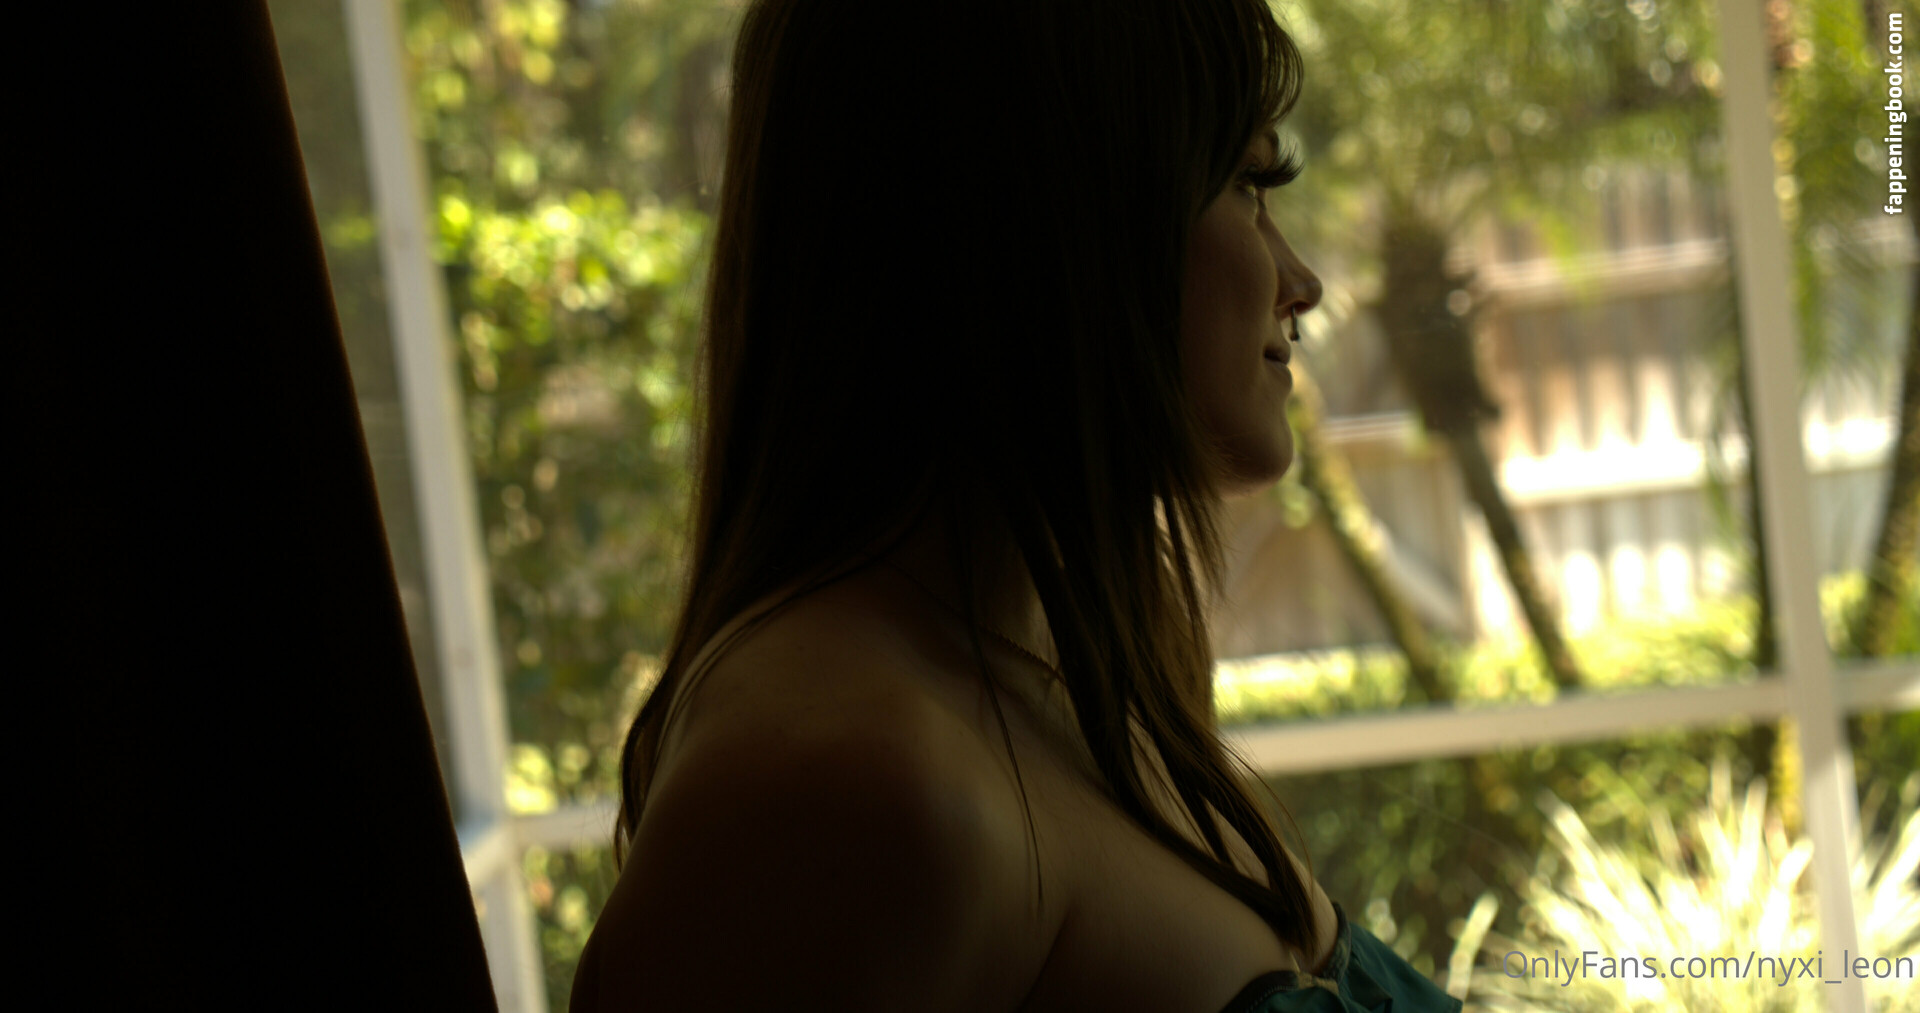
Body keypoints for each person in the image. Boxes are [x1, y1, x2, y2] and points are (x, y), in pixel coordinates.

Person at [571, 0, 1463, 1010]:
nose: (1301, 282)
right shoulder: (846, 782)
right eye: (1248, 183)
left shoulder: (1069, 664)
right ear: (1052, 216)